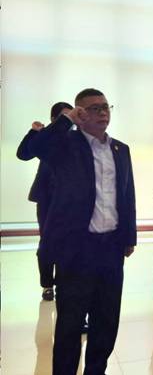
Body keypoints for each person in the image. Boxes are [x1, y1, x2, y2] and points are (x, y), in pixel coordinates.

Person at [29, 88, 136, 375]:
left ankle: (96, 371)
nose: (102, 113)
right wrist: (65, 121)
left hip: (111, 248)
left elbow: (127, 195)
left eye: (105, 107)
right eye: (93, 108)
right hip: (76, 249)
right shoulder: (65, 145)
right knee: (70, 323)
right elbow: (29, 151)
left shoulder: (120, 149)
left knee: (106, 320)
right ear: (80, 113)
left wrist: (129, 237)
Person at [17, 102, 73, 301]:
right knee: (47, 242)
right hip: (47, 197)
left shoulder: (75, 137)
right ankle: (47, 284)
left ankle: (65, 282)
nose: (69, 121)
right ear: (54, 120)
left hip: (70, 199)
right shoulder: (47, 137)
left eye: (71, 116)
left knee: (69, 242)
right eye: (64, 117)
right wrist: (33, 132)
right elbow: (23, 154)